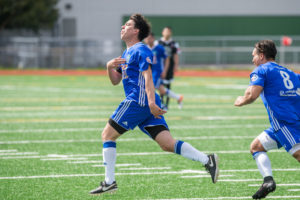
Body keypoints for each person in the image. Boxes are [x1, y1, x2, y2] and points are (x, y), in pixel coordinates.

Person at [90, 14, 219, 195]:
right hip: (146, 103)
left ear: (136, 31)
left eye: (127, 25)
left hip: (139, 100)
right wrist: (109, 67)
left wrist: (150, 102)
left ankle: (109, 182)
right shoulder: (126, 53)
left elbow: (148, 77)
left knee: (107, 135)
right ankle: (207, 160)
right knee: (167, 144)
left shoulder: (141, 50)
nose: (122, 27)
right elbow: (115, 81)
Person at [234, 40, 300, 199]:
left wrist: (241, 100)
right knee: (256, 147)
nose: (252, 59)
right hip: (283, 124)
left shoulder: (261, 70)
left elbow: (252, 95)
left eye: (254, 55)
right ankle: (268, 181)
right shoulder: (290, 72)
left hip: (285, 123)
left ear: (261, 56)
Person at [144, 32, 183, 109]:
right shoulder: (144, 48)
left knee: (151, 88)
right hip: (148, 71)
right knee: (161, 89)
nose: (147, 40)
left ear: (153, 38)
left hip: (157, 72)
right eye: (146, 38)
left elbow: (167, 59)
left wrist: (164, 70)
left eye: (149, 38)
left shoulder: (159, 48)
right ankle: (178, 98)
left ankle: (159, 105)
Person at [158, 26, 181, 110]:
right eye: (165, 31)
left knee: (168, 85)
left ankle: (166, 104)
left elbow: (176, 55)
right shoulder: (158, 43)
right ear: (162, 32)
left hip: (170, 67)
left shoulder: (174, 43)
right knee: (160, 85)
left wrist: (176, 65)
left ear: (171, 33)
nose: (167, 33)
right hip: (160, 67)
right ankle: (161, 103)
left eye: (169, 31)